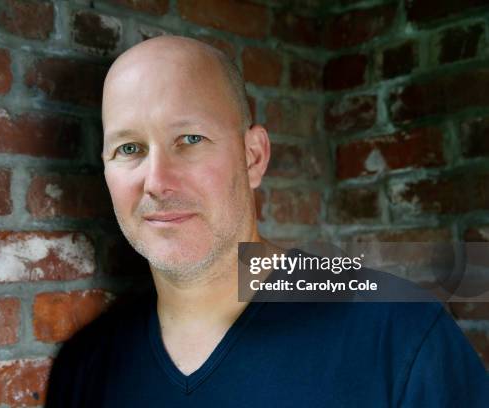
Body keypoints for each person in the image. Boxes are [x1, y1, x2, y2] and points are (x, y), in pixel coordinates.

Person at [45, 35, 488, 407]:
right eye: (129, 148)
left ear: (253, 157)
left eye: (190, 139)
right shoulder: (85, 368)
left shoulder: (397, 330)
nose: (156, 181)